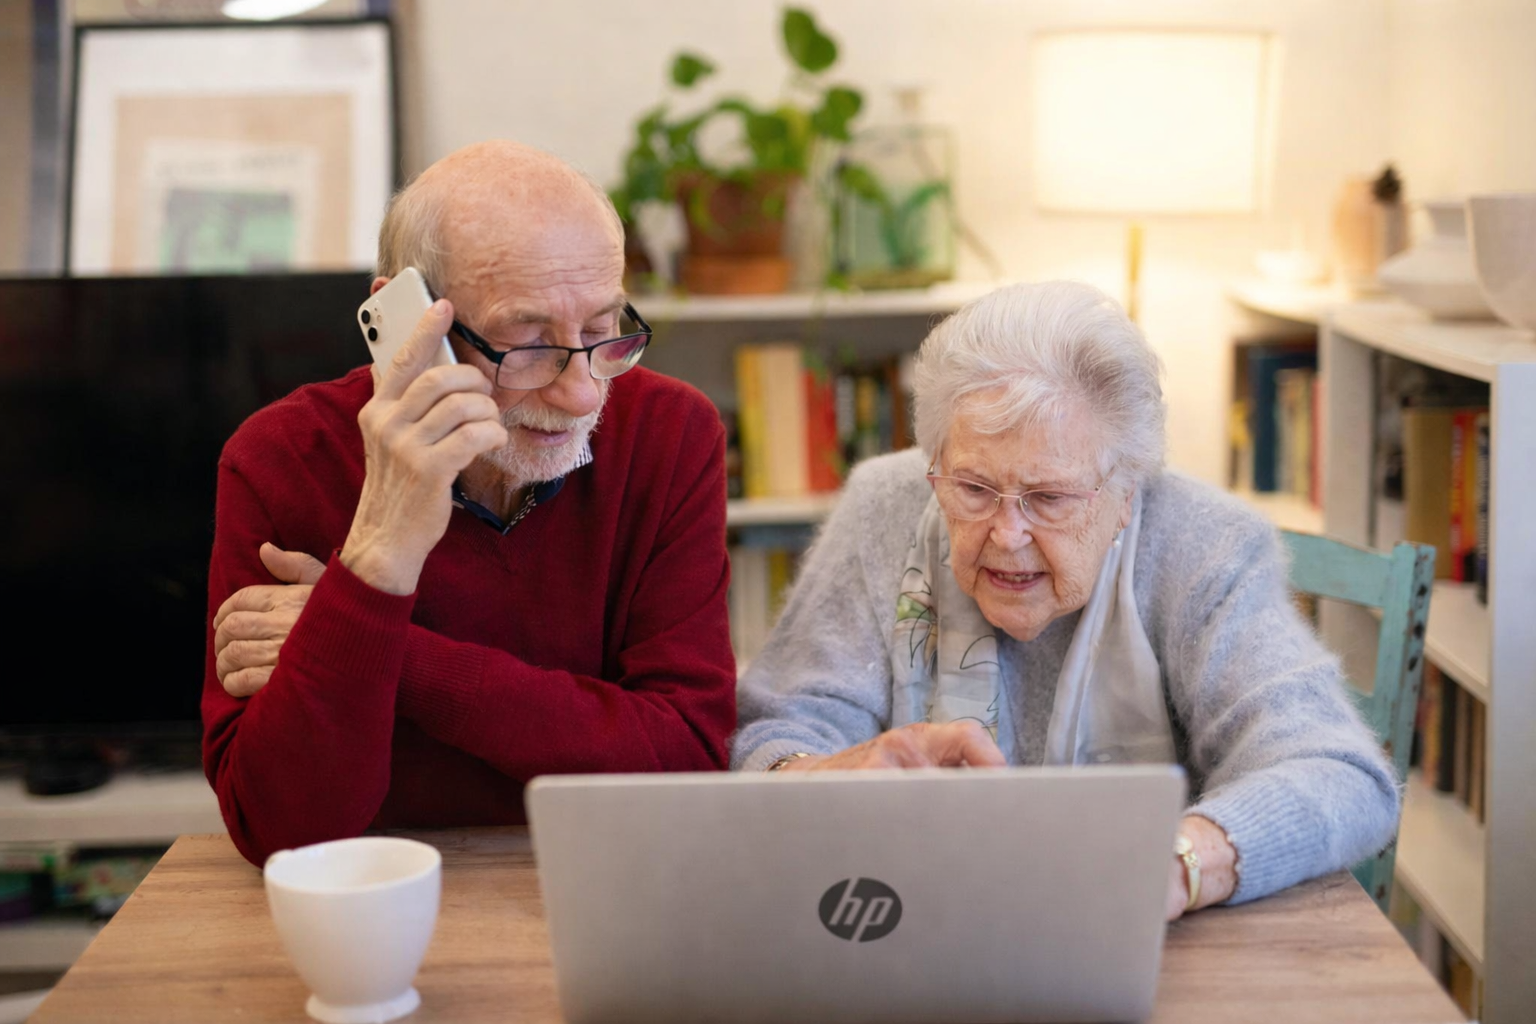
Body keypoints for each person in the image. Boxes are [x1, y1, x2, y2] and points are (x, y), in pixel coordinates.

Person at [732, 281, 1399, 920]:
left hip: (1140, 942)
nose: (1008, 534)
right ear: (933, 461)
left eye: (1049, 498)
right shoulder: (885, 505)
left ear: (1127, 490)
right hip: (904, 918)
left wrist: (1175, 866)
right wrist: (813, 773)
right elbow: (772, 729)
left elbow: (1336, 771)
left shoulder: (1205, 546)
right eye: (972, 489)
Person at [204, 141, 735, 866]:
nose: (582, 393)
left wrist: (370, 645)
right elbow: (286, 831)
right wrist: (377, 556)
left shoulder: (674, 434)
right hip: (378, 893)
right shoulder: (278, 459)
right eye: (525, 341)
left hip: (607, 871)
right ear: (399, 319)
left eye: (603, 328)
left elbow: (683, 762)